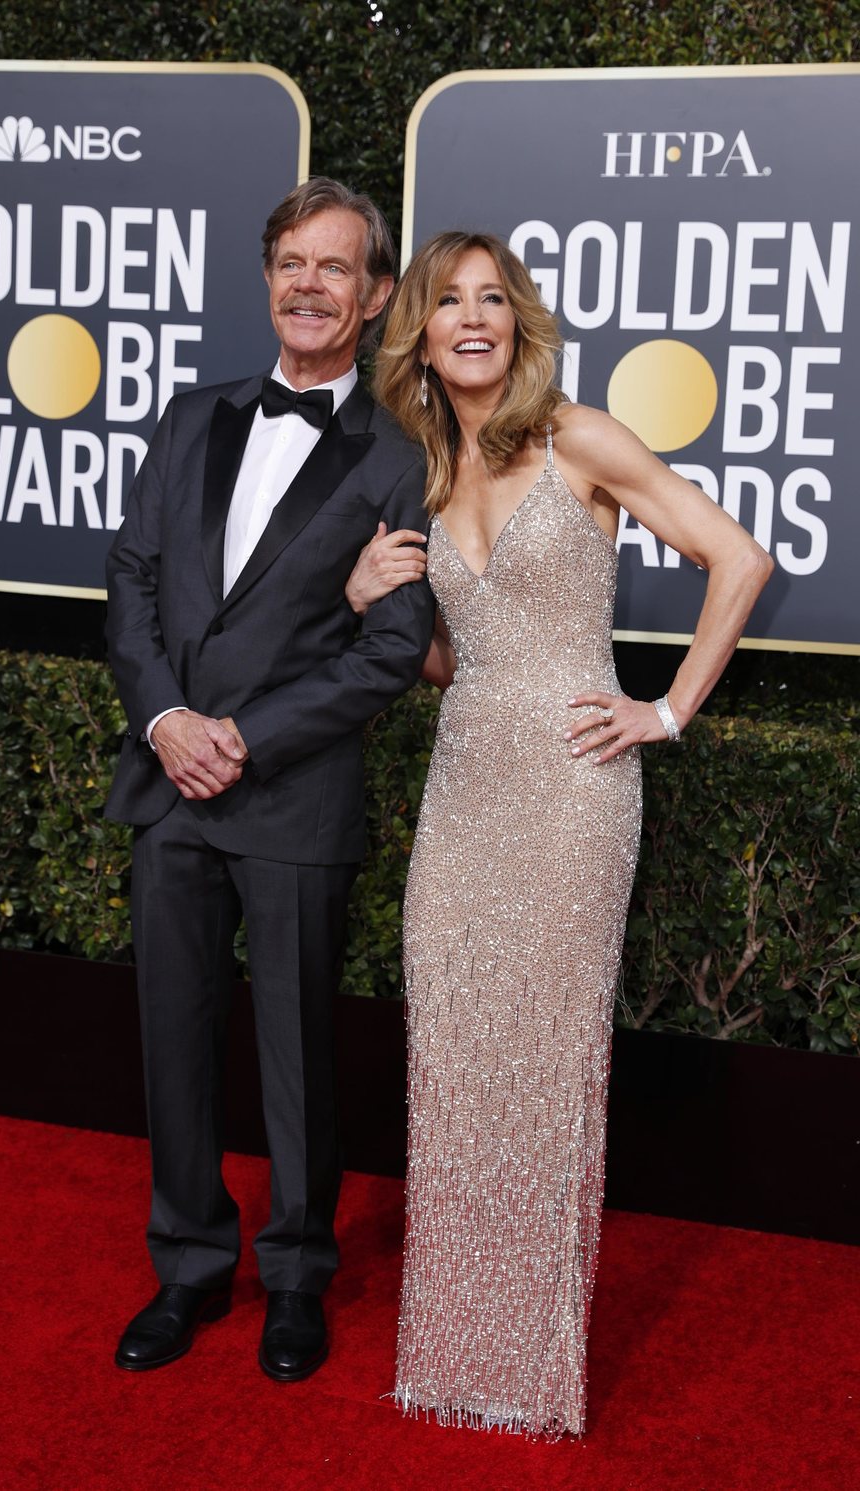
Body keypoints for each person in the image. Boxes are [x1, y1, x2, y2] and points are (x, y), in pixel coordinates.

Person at [344, 230, 772, 1438]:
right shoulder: (429, 461)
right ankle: (451, 1356)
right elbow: (450, 665)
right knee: (457, 1059)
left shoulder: (577, 436)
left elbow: (738, 557)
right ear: (419, 330)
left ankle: (531, 1375)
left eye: (493, 299)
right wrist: (367, 601)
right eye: (446, 302)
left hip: (575, 792)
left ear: (517, 320)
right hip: (465, 783)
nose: (470, 319)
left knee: (546, 1072)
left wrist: (668, 709)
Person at [104, 179, 434, 1382]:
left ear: (377, 294)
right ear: (268, 278)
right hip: (169, 784)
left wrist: (243, 736)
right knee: (173, 1043)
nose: (309, 285)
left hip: (290, 797)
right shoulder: (191, 419)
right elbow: (132, 579)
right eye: (292, 262)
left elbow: (392, 653)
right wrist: (166, 719)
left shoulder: (396, 461)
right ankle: (188, 1266)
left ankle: (297, 1276)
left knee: (299, 1055)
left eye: (335, 267)